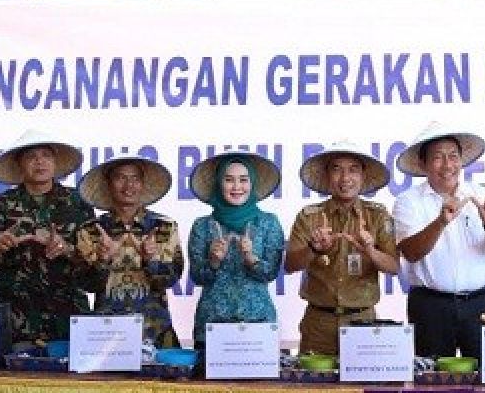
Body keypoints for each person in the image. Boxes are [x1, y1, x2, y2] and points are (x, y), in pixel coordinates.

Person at [393, 122, 485, 360]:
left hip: (480, 303)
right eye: (438, 158)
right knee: (431, 381)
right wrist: (441, 222)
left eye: (453, 157)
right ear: (422, 164)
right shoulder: (408, 201)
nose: (447, 165)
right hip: (430, 306)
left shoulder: (478, 194)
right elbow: (411, 252)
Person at [0, 130, 94, 344]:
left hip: (67, 312)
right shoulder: (1, 204)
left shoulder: (78, 203)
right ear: (20, 164)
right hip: (17, 315)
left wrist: (67, 249)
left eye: (46, 156)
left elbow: (94, 262)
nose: (39, 162)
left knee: (71, 376)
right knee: (15, 375)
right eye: (31, 157)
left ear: (55, 163)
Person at [285, 141, 400, 355]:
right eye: (337, 169)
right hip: (318, 322)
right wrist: (314, 249)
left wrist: (371, 251)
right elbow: (290, 265)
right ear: (327, 176)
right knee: (316, 387)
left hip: (363, 322)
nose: (345, 178)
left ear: (363, 176)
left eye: (353, 170)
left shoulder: (378, 215)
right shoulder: (308, 216)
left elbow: (394, 267)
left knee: (362, 388)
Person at [75, 156, 185, 348]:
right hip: (106, 332)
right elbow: (86, 284)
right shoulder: (91, 230)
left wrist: (150, 260)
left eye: (135, 179)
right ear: (108, 184)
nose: (128, 185)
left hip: (155, 329)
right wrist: (103, 260)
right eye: (120, 178)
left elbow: (171, 279)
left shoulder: (164, 227)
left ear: (142, 184)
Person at [187, 152, 285, 346]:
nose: (237, 187)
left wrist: (251, 258)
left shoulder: (268, 223)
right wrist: (214, 261)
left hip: (258, 323)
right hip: (212, 324)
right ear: (218, 184)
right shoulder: (203, 226)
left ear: (253, 184)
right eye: (229, 180)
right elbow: (197, 277)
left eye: (244, 180)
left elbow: (271, 273)